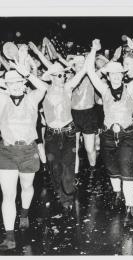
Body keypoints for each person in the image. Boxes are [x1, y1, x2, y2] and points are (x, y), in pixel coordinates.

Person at [86, 37, 133, 220]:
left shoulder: (130, 88)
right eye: (112, 74)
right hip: (107, 135)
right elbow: (89, 70)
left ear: (123, 75)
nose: (115, 76)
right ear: (108, 75)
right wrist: (93, 50)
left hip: (127, 135)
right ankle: (116, 193)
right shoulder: (104, 89)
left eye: (118, 74)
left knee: (127, 170)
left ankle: (129, 207)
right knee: (112, 170)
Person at [0, 64, 48, 250]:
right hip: (7, 152)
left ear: (24, 82)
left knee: (26, 187)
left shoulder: (32, 98)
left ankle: (25, 214)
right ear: (5, 85)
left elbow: (43, 87)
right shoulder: (2, 99)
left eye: (19, 82)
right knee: (9, 194)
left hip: (29, 151)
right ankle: (9, 236)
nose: (15, 86)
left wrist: (26, 72)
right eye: (11, 83)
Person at [42, 61, 88, 213]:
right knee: (55, 168)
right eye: (60, 75)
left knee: (68, 166)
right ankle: (58, 192)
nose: (63, 77)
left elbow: (82, 73)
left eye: (64, 75)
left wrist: (93, 50)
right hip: (51, 135)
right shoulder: (44, 89)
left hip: (68, 132)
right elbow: (29, 77)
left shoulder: (67, 88)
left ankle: (67, 198)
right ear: (52, 77)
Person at [70, 55, 98, 179]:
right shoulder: (69, 79)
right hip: (73, 115)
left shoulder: (92, 77)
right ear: (74, 67)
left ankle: (93, 168)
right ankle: (75, 175)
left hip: (89, 115)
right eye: (78, 64)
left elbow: (104, 68)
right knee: (74, 147)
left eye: (83, 63)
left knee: (89, 147)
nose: (81, 66)